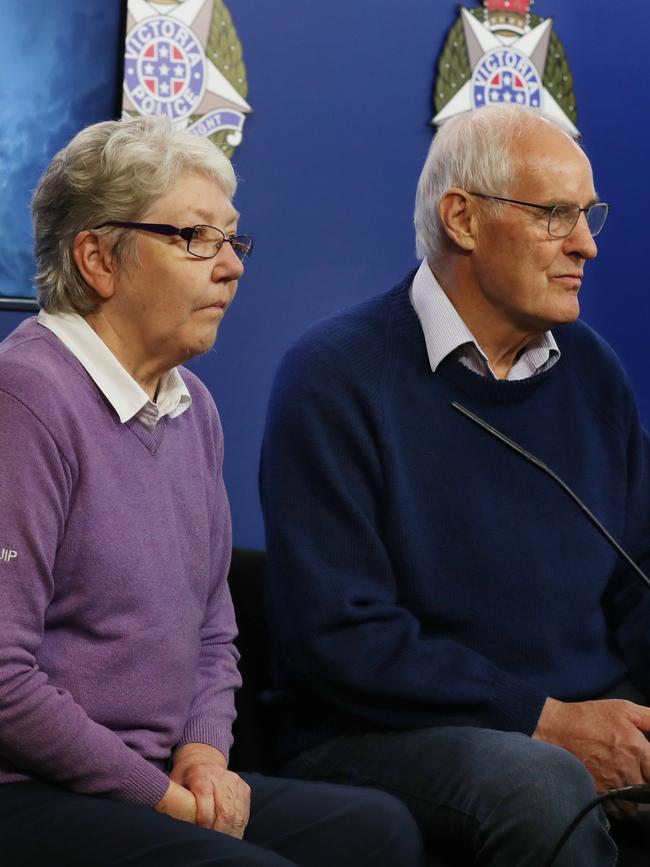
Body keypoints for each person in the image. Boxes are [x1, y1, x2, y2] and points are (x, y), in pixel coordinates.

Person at [0, 116, 425, 867]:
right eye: (198, 237)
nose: (230, 265)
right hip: (32, 789)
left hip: (159, 780)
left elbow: (213, 631)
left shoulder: (192, 404)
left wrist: (202, 755)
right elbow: (3, 679)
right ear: (98, 258)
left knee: (377, 830)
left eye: (233, 239)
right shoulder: (27, 397)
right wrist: (162, 796)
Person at [259, 103, 650, 866]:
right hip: (385, 734)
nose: (587, 244)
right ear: (463, 219)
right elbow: (341, 637)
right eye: (555, 214)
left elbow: (641, 581)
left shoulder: (591, 371)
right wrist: (542, 719)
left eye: (588, 213)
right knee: (541, 784)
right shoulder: (335, 378)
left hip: (581, 715)